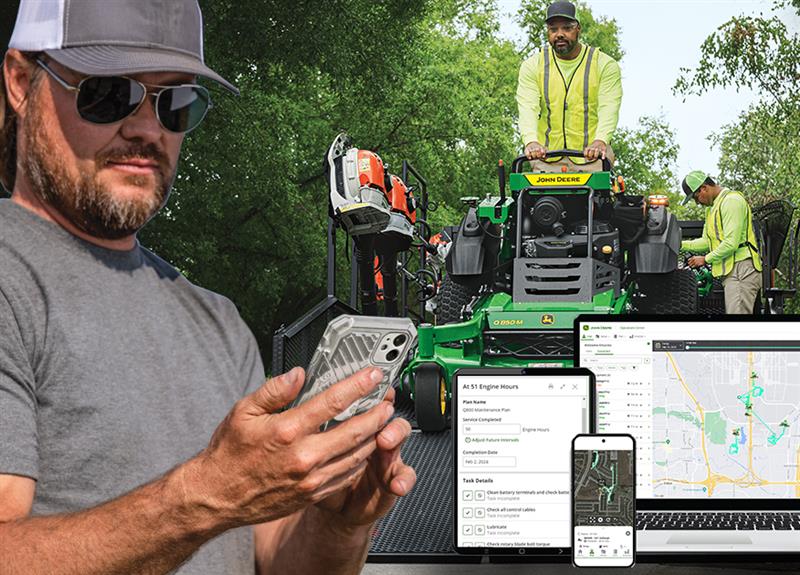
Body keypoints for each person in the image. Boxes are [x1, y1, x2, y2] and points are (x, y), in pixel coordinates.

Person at [0, 1, 415, 574]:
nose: (146, 127)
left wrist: (339, 521)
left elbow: (272, 559)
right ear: (21, 82)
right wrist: (205, 497)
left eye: (176, 102)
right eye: (108, 92)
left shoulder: (218, 323)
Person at [516, 0, 622, 166]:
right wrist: (531, 141)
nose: (559, 34)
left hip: (592, 157)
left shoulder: (604, 64)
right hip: (547, 158)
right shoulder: (532, 66)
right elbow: (527, 107)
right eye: (553, 29)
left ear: (578, 28)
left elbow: (609, 107)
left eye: (567, 28)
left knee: (599, 190)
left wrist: (600, 140)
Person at [680, 170, 763, 314]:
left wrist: (705, 259)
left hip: (741, 271)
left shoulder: (731, 201)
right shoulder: (712, 209)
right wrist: (679, 245)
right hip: (732, 272)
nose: (697, 202)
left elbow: (731, 243)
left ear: (704, 188)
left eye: (695, 197)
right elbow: (707, 242)